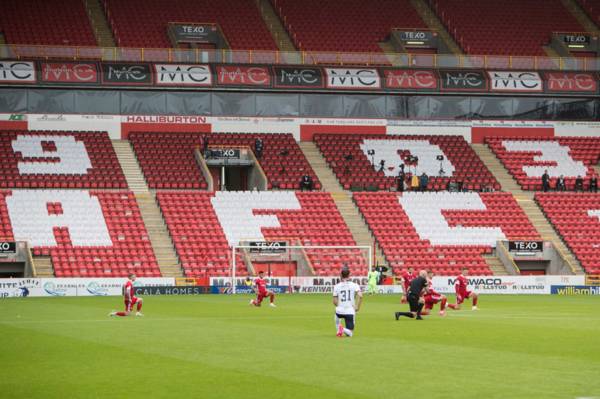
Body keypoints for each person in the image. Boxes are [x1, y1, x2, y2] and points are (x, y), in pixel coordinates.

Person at [333, 266, 363, 337]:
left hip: (339, 311)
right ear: (349, 275)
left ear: (341, 275)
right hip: (350, 311)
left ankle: (338, 330)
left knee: (336, 314)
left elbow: (334, 301)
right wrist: (357, 307)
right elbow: (361, 296)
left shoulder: (337, 286)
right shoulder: (355, 285)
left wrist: (340, 305)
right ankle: (342, 329)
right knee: (350, 333)